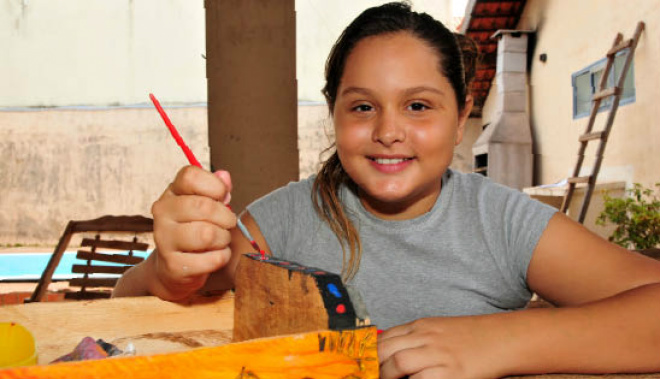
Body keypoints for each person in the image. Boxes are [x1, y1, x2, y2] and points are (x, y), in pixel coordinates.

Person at [114, 2, 660, 378]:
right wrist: (168, 269)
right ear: (334, 113)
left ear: (462, 113)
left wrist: (502, 339)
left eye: (418, 105)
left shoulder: (502, 222)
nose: (388, 131)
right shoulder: (279, 222)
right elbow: (125, 312)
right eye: (362, 107)